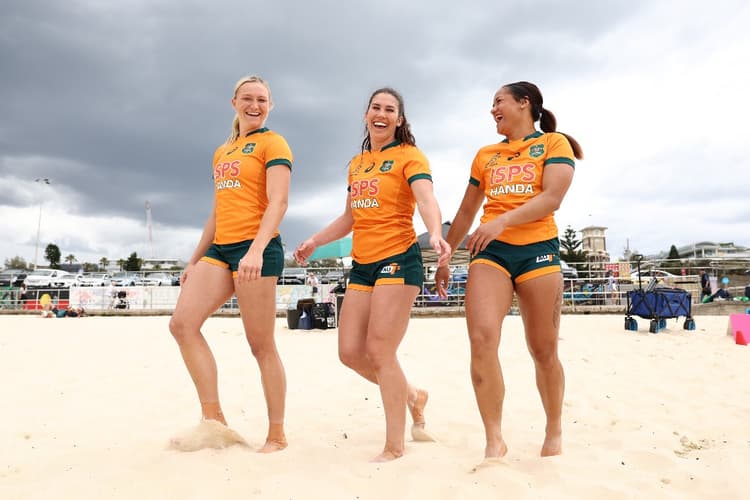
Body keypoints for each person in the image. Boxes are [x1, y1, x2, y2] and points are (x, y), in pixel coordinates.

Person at [294, 87, 451, 462]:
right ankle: (412, 395)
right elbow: (350, 216)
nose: (381, 114)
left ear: (399, 119)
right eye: (375, 107)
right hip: (363, 263)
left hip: (399, 258)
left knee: (381, 351)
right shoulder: (357, 162)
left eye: (390, 109)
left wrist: (434, 232)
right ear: (366, 114)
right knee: (349, 352)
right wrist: (315, 240)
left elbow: (427, 198)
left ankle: (395, 445)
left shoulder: (410, 156)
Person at [435, 81, 583, 461]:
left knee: (543, 349)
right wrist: (446, 255)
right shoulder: (486, 155)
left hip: (538, 249)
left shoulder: (553, 144)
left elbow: (552, 197)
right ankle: (494, 438)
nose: (493, 109)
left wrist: (502, 221)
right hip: (491, 252)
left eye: (498, 101)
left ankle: (553, 430)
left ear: (524, 103)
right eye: (492, 104)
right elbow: (467, 211)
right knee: (482, 340)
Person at [168, 75, 293, 453]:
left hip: (257, 248)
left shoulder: (274, 143)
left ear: (270, 105)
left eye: (262, 100)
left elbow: (278, 202)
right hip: (220, 249)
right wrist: (193, 260)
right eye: (248, 99)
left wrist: (255, 250)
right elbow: (217, 211)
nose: (255, 105)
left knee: (261, 345)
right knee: (182, 325)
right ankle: (214, 420)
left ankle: (277, 434)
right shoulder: (222, 152)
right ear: (234, 102)